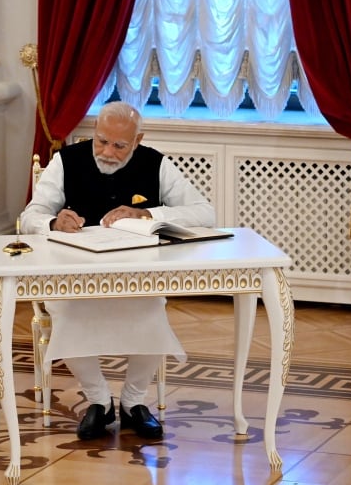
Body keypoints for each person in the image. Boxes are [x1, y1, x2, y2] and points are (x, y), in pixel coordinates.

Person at [21, 101, 215, 440]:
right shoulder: (65, 161)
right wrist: (52, 221)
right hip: (75, 273)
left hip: (136, 273)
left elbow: (205, 213)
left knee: (152, 311)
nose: (107, 152)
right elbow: (29, 216)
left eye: (119, 145)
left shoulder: (156, 163)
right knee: (65, 313)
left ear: (138, 139)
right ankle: (98, 401)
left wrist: (149, 215)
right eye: (101, 141)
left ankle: (133, 403)